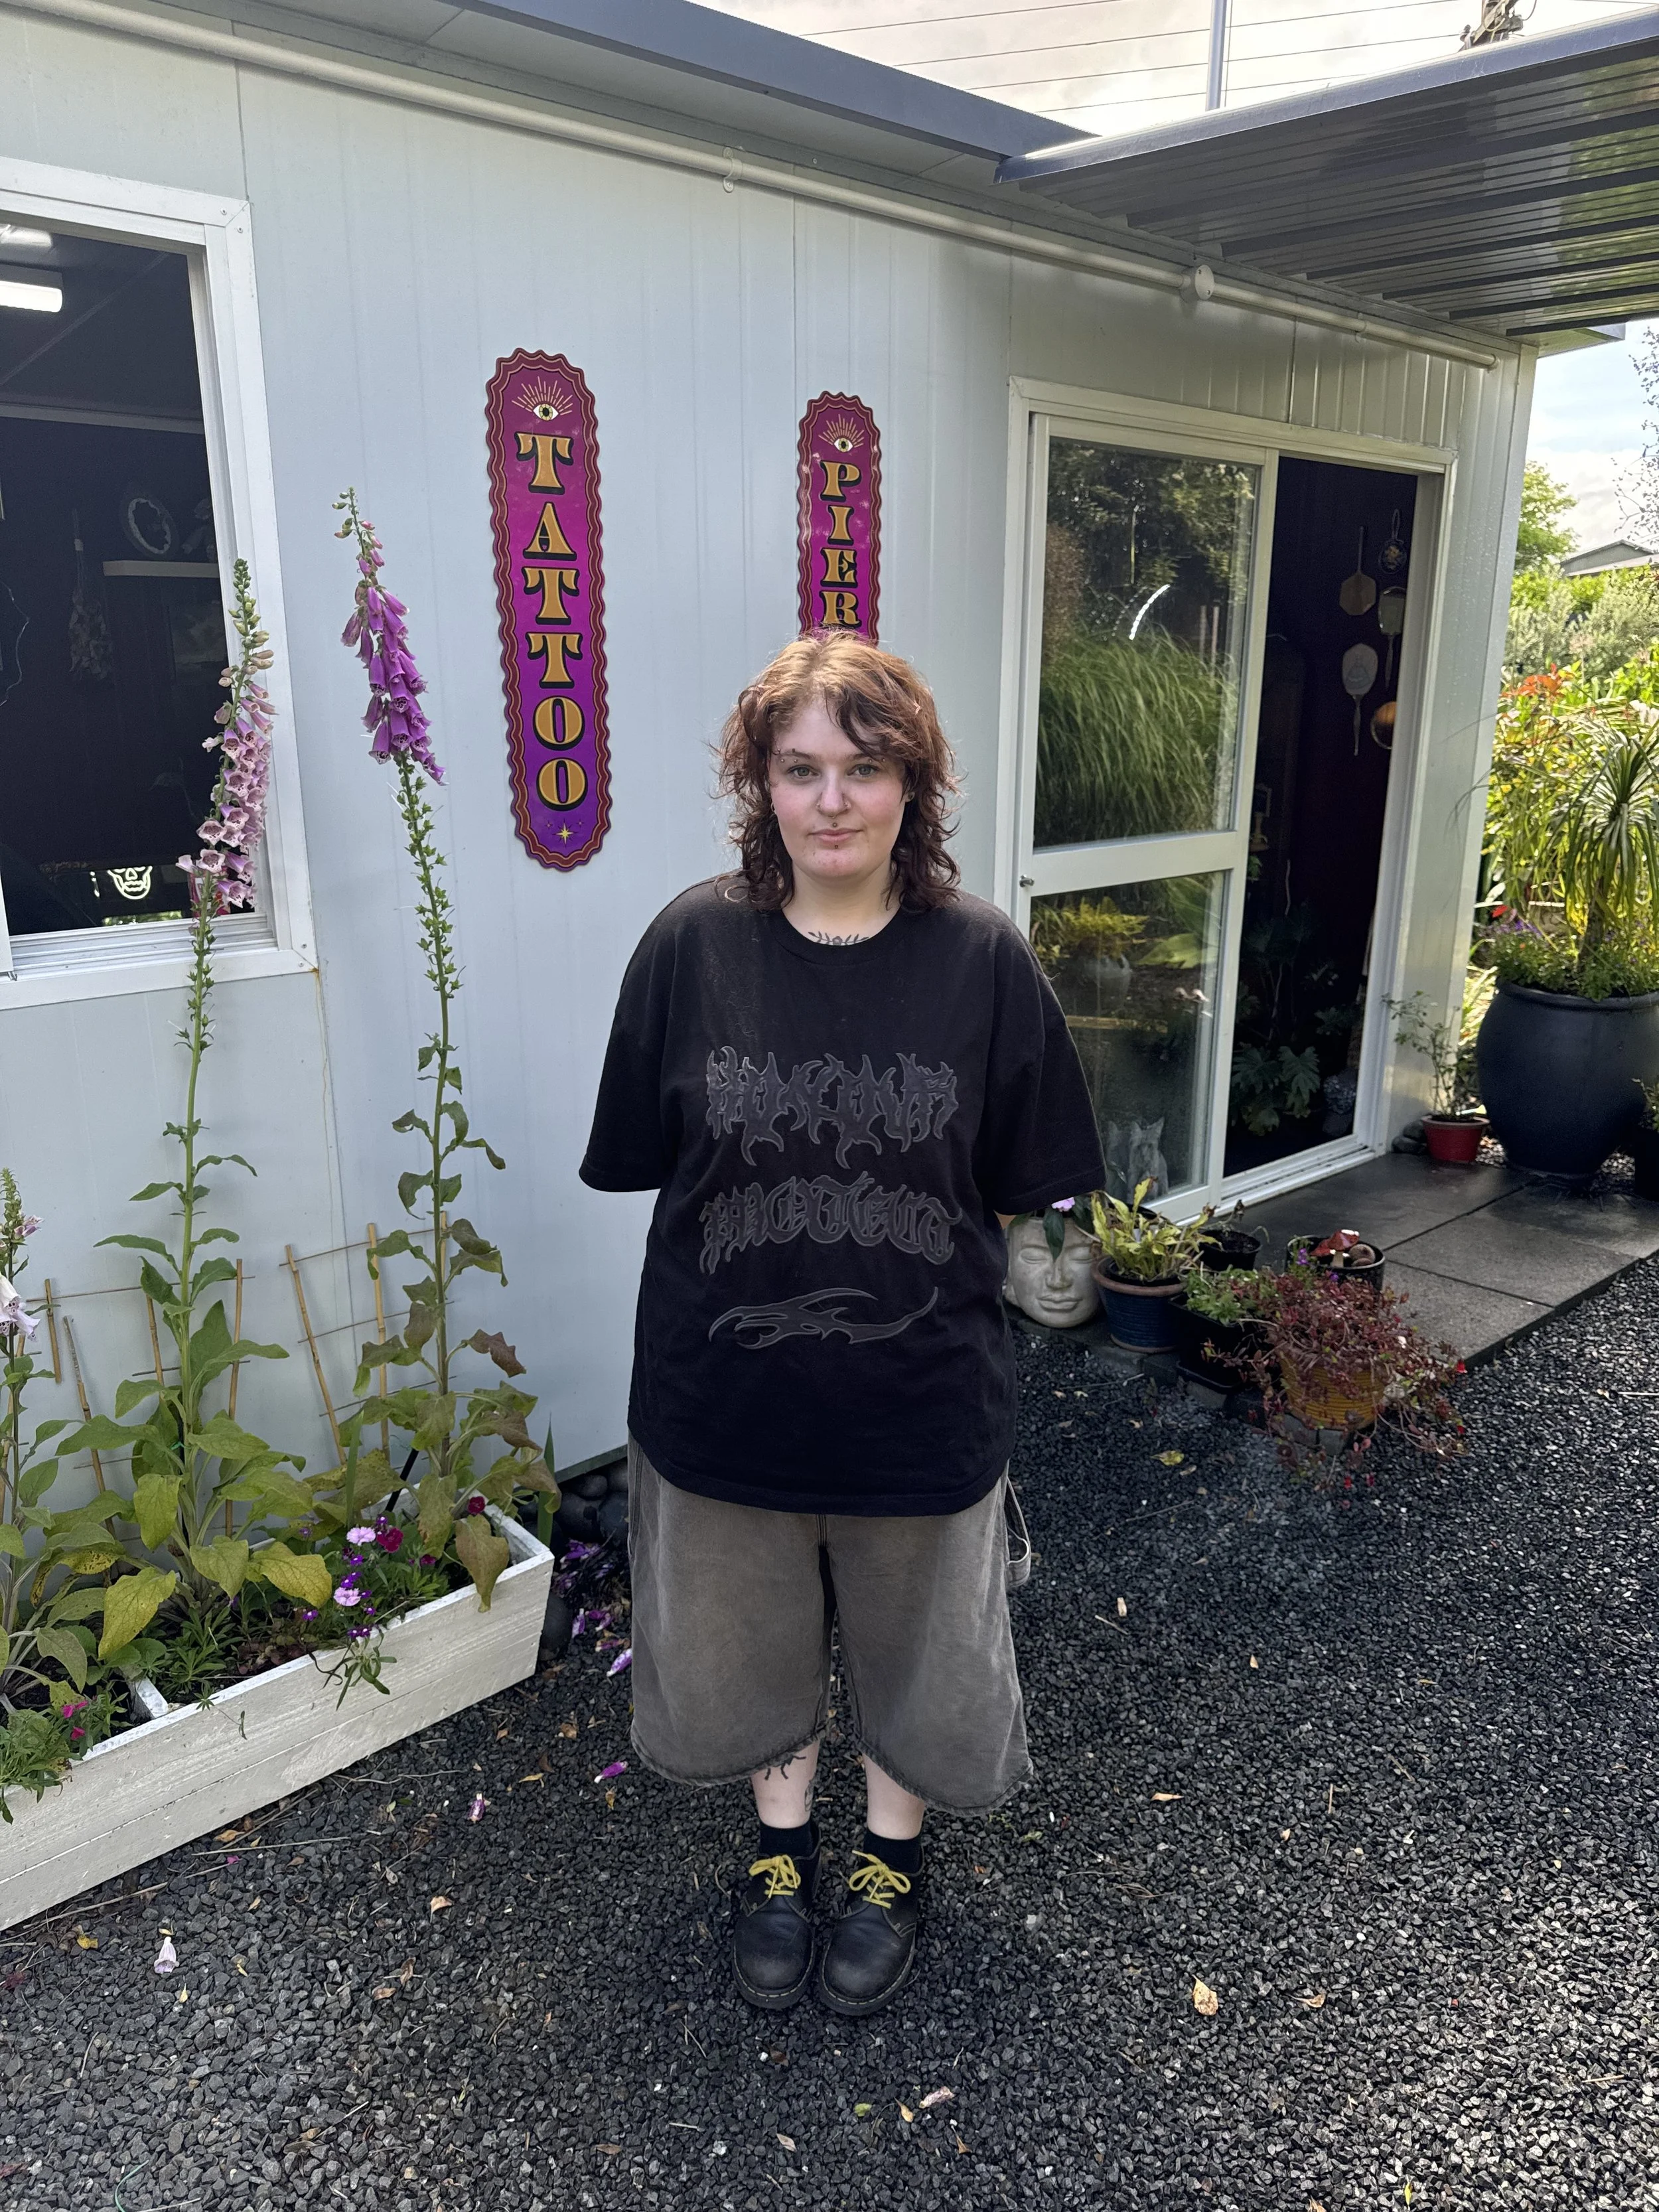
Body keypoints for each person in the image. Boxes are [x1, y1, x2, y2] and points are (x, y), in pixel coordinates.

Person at [579, 632, 1104, 2016]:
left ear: (911, 785)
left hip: (919, 1402)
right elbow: (642, 1150)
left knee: (917, 1651)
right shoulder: (689, 947)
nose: (829, 801)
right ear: (757, 780)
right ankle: (772, 1854)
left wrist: (1056, 1262)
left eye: (862, 769)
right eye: (799, 767)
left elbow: (1034, 1178)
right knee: (743, 1650)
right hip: (722, 1394)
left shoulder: (983, 960)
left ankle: (884, 1861)